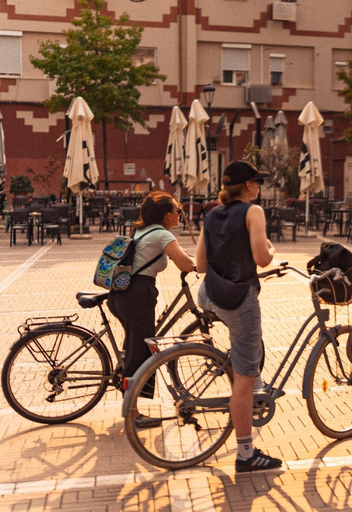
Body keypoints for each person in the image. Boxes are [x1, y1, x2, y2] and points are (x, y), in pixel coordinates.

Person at [194, 161, 282, 473]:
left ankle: (253, 382)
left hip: (209, 295)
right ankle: (246, 453)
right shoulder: (253, 212)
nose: (259, 187)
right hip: (238, 300)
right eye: (258, 182)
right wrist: (270, 248)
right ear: (248, 186)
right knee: (242, 378)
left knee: (247, 346)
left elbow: (200, 265)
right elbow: (262, 258)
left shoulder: (211, 214)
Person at [107, 191, 195, 427]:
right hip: (138, 295)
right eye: (177, 210)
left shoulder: (142, 231)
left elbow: (178, 255)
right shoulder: (162, 234)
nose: (179, 214)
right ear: (168, 215)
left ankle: (126, 380)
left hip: (121, 294)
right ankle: (133, 413)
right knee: (140, 351)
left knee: (134, 345)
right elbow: (185, 264)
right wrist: (200, 266)